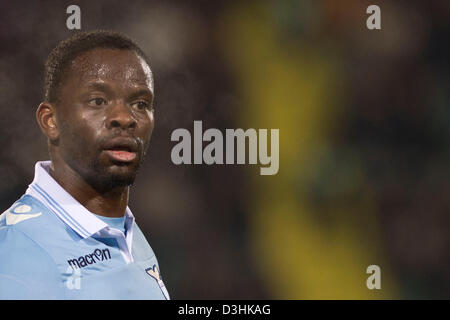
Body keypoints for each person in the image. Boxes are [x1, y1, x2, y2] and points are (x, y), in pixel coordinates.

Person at [0, 30, 170, 300]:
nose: (125, 118)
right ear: (50, 120)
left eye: (140, 103)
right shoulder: (17, 251)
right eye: (98, 101)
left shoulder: (124, 231)